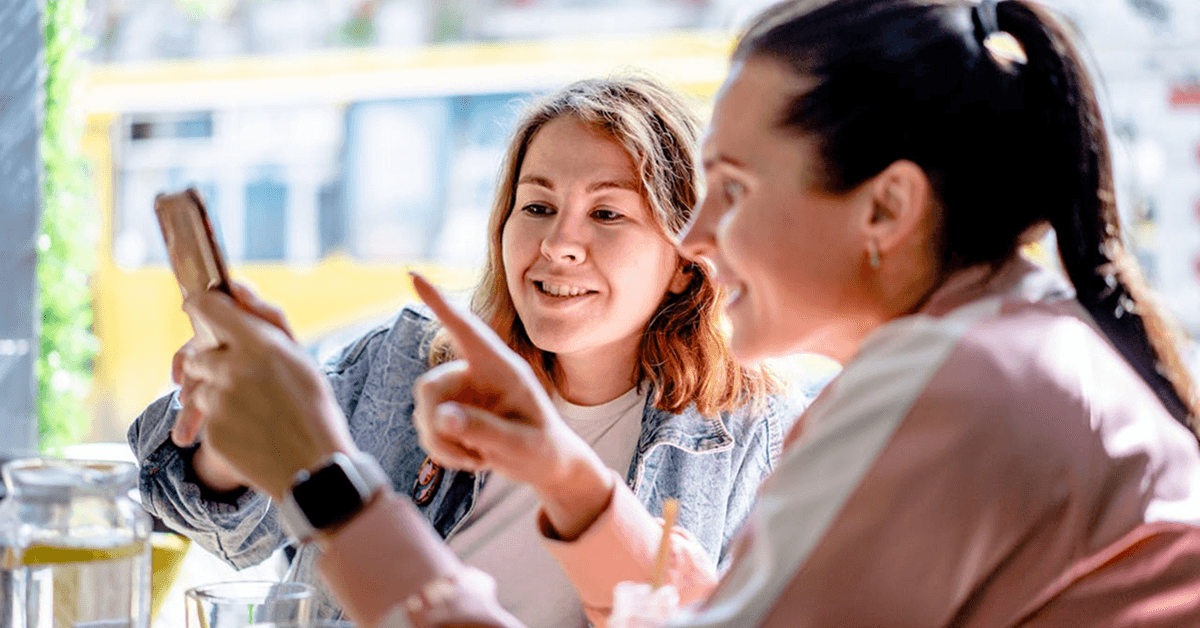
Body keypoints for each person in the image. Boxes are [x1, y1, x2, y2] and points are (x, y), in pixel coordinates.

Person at [176, 0, 1200, 626]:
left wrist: (330, 486)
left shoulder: (954, 393)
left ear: (886, 208)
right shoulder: (1007, 352)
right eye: (536, 205)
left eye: (735, 189)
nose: (696, 238)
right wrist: (566, 474)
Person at [128, 76, 806, 626]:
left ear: (687, 260)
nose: (558, 244)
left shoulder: (754, 433)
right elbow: (217, 523)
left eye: (607, 214)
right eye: (536, 207)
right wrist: (228, 429)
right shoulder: (411, 361)